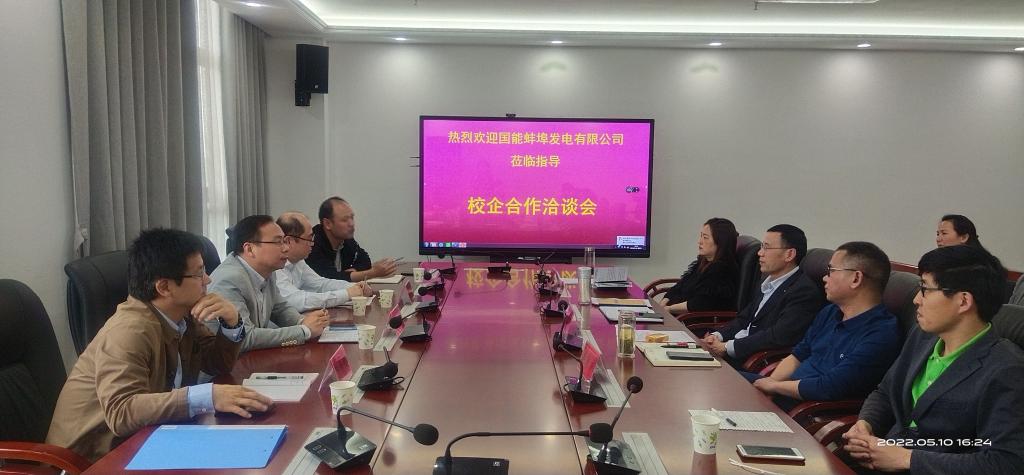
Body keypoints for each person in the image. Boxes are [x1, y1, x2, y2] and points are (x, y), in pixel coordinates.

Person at [46, 229, 272, 461]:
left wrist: (232, 322)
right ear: (164, 287)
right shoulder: (129, 330)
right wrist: (206, 396)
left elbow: (216, 364)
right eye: (199, 274)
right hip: (91, 460)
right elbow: (121, 412)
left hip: (148, 440)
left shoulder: (183, 316)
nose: (208, 280)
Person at [843, 245, 1024, 474]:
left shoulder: (1007, 370)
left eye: (925, 289)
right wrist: (865, 424)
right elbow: (886, 392)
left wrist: (907, 459)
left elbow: (1006, 462)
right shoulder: (923, 336)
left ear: (963, 301)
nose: (916, 300)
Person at [744, 242, 901, 410]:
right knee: (726, 379)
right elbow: (798, 355)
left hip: (810, 409)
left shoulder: (881, 334)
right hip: (785, 391)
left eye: (831, 271)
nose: (825, 278)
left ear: (856, 279)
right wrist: (768, 388)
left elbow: (828, 387)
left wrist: (774, 387)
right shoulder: (831, 312)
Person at [702, 224, 825, 365]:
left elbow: (778, 336)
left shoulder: (803, 292)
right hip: (734, 350)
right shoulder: (769, 282)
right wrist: (718, 335)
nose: (760, 253)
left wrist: (727, 347)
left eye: (766, 247)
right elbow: (744, 318)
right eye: (761, 247)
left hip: (752, 361)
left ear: (789, 254)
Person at [208, 215, 330, 351]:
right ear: (250, 249)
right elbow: (243, 338)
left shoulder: (267, 270)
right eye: (278, 242)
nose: (286, 248)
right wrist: (304, 331)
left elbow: (280, 308)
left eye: (285, 241)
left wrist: (302, 321)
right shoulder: (228, 280)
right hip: (223, 362)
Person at [275, 211, 373, 311]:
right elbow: (298, 301)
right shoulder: (275, 267)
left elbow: (321, 284)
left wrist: (355, 287)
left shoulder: (298, 262)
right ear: (289, 241)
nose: (312, 243)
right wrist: (347, 294)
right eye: (309, 238)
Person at [306, 196, 398, 282]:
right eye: (345, 220)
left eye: (352, 218)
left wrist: (354, 270)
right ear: (327, 224)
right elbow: (328, 279)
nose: (351, 224)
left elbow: (365, 260)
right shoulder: (311, 244)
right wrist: (373, 273)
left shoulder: (346, 239)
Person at [661, 218, 739, 315]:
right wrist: (663, 304)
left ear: (720, 242)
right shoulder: (703, 262)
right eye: (701, 236)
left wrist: (669, 309)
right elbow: (680, 285)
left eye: (705, 237)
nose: (700, 241)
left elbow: (699, 304)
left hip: (694, 321)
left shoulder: (722, 271)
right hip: (678, 316)